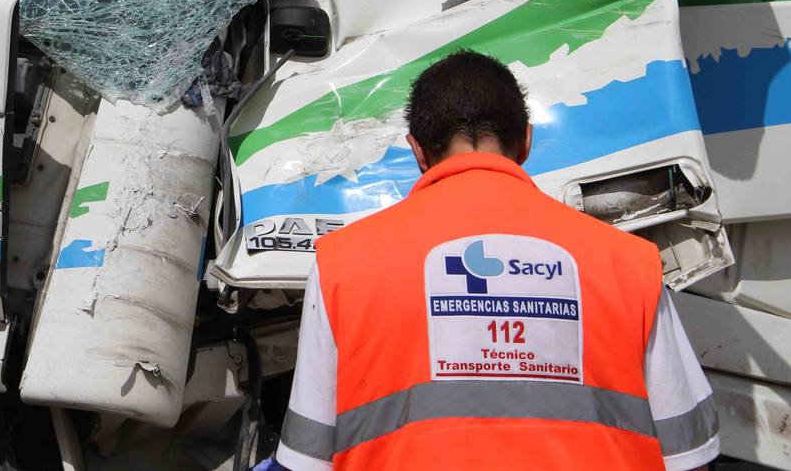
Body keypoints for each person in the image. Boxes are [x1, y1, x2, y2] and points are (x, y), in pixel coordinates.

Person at [273, 50, 719, 470]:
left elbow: (308, 458)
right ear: (526, 141)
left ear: (417, 151)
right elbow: (688, 451)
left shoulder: (342, 265)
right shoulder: (629, 263)